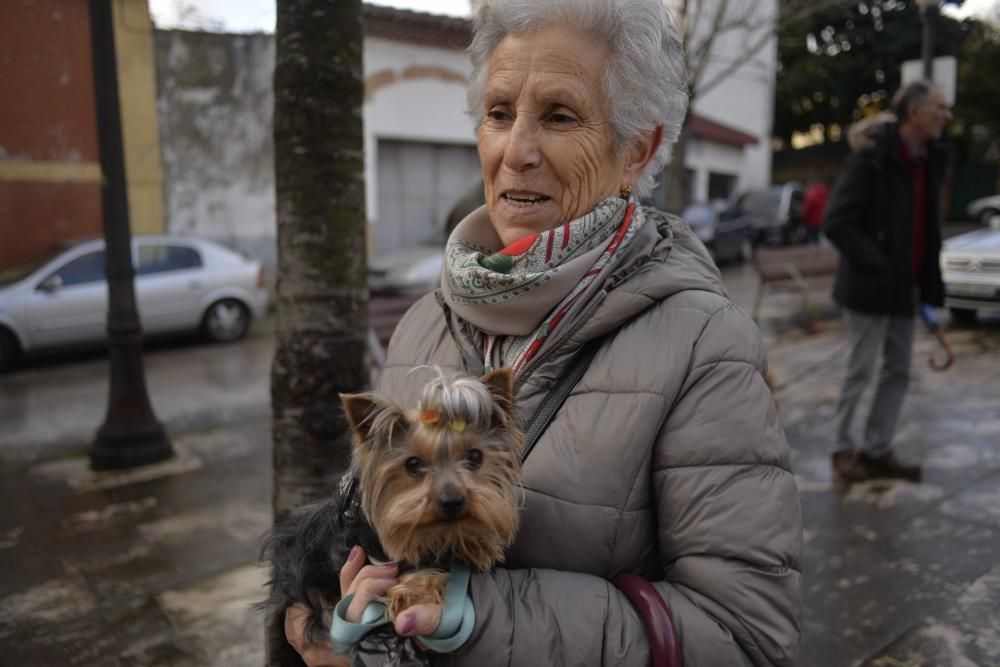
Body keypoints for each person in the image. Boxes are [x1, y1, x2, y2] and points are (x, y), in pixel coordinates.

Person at [286, 0, 802, 664]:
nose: (517, 151)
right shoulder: (423, 324)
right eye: (499, 114)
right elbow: (373, 531)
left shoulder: (705, 347)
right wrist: (340, 622)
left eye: (559, 117)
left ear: (636, 151)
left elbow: (748, 639)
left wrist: (475, 617)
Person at [823, 81, 951, 484]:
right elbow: (836, 222)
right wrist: (878, 263)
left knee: (897, 371)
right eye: (940, 108)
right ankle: (842, 451)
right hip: (868, 288)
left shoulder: (928, 159)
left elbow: (927, 230)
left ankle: (877, 451)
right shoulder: (873, 157)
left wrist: (928, 291)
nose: (946, 116)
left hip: (904, 291)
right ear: (915, 112)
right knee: (860, 370)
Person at [801, 180, 829, 244]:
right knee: (819, 239)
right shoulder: (825, 196)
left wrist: (804, 219)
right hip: (822, 221)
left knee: (811, 240)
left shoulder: (811, 196)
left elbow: (807, 210)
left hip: (811, 222)